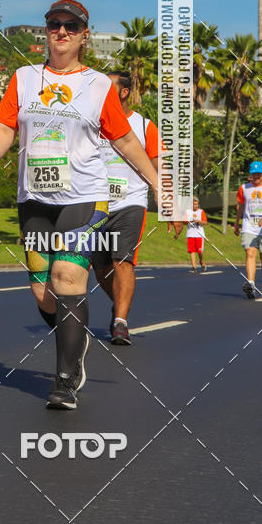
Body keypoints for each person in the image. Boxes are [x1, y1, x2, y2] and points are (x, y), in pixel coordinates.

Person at [0, 0, 164, 410]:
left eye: (71, 26)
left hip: (84, 196)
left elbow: (124, 139)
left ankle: (65, 380)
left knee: (67, 276)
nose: (61, 32)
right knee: (43, 294)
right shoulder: (24, 79)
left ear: (83, 36)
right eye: (54, 24)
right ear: (46, 31)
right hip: (34, 199)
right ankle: (74, 338)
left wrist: (157, 183)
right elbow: (5, 125)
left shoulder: (98, 85)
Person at [92, 72, 161, 345]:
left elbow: (159, 167)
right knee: (100, 268)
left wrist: (171, 206)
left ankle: (120, 321)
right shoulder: (92, 122)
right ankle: (119, 303)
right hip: (96, 204)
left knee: (122, 260)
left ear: (123, 92)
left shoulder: (144, 126)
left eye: (108, 87)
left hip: (131, 202)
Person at [234, 160, 262, 300]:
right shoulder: (244, 188)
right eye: (254, 174)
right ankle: (251, 283)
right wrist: (237, 223)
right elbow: (240, 206)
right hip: (249, 226)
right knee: (250, 252)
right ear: (250, 174)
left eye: (259, 173)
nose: (256, 176)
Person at [184, 196, 208, 274]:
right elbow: (184, 221)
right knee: (191, 251)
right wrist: (189, 220)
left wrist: (198, 221)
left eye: (196, 204)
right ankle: (194, 267)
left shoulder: (201, 212)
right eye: (194, 204)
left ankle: (201, 261)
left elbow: (205, 222)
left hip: (199, 234)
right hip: (190, 234)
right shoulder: (187, 211)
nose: (195, 206)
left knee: (199, 251)